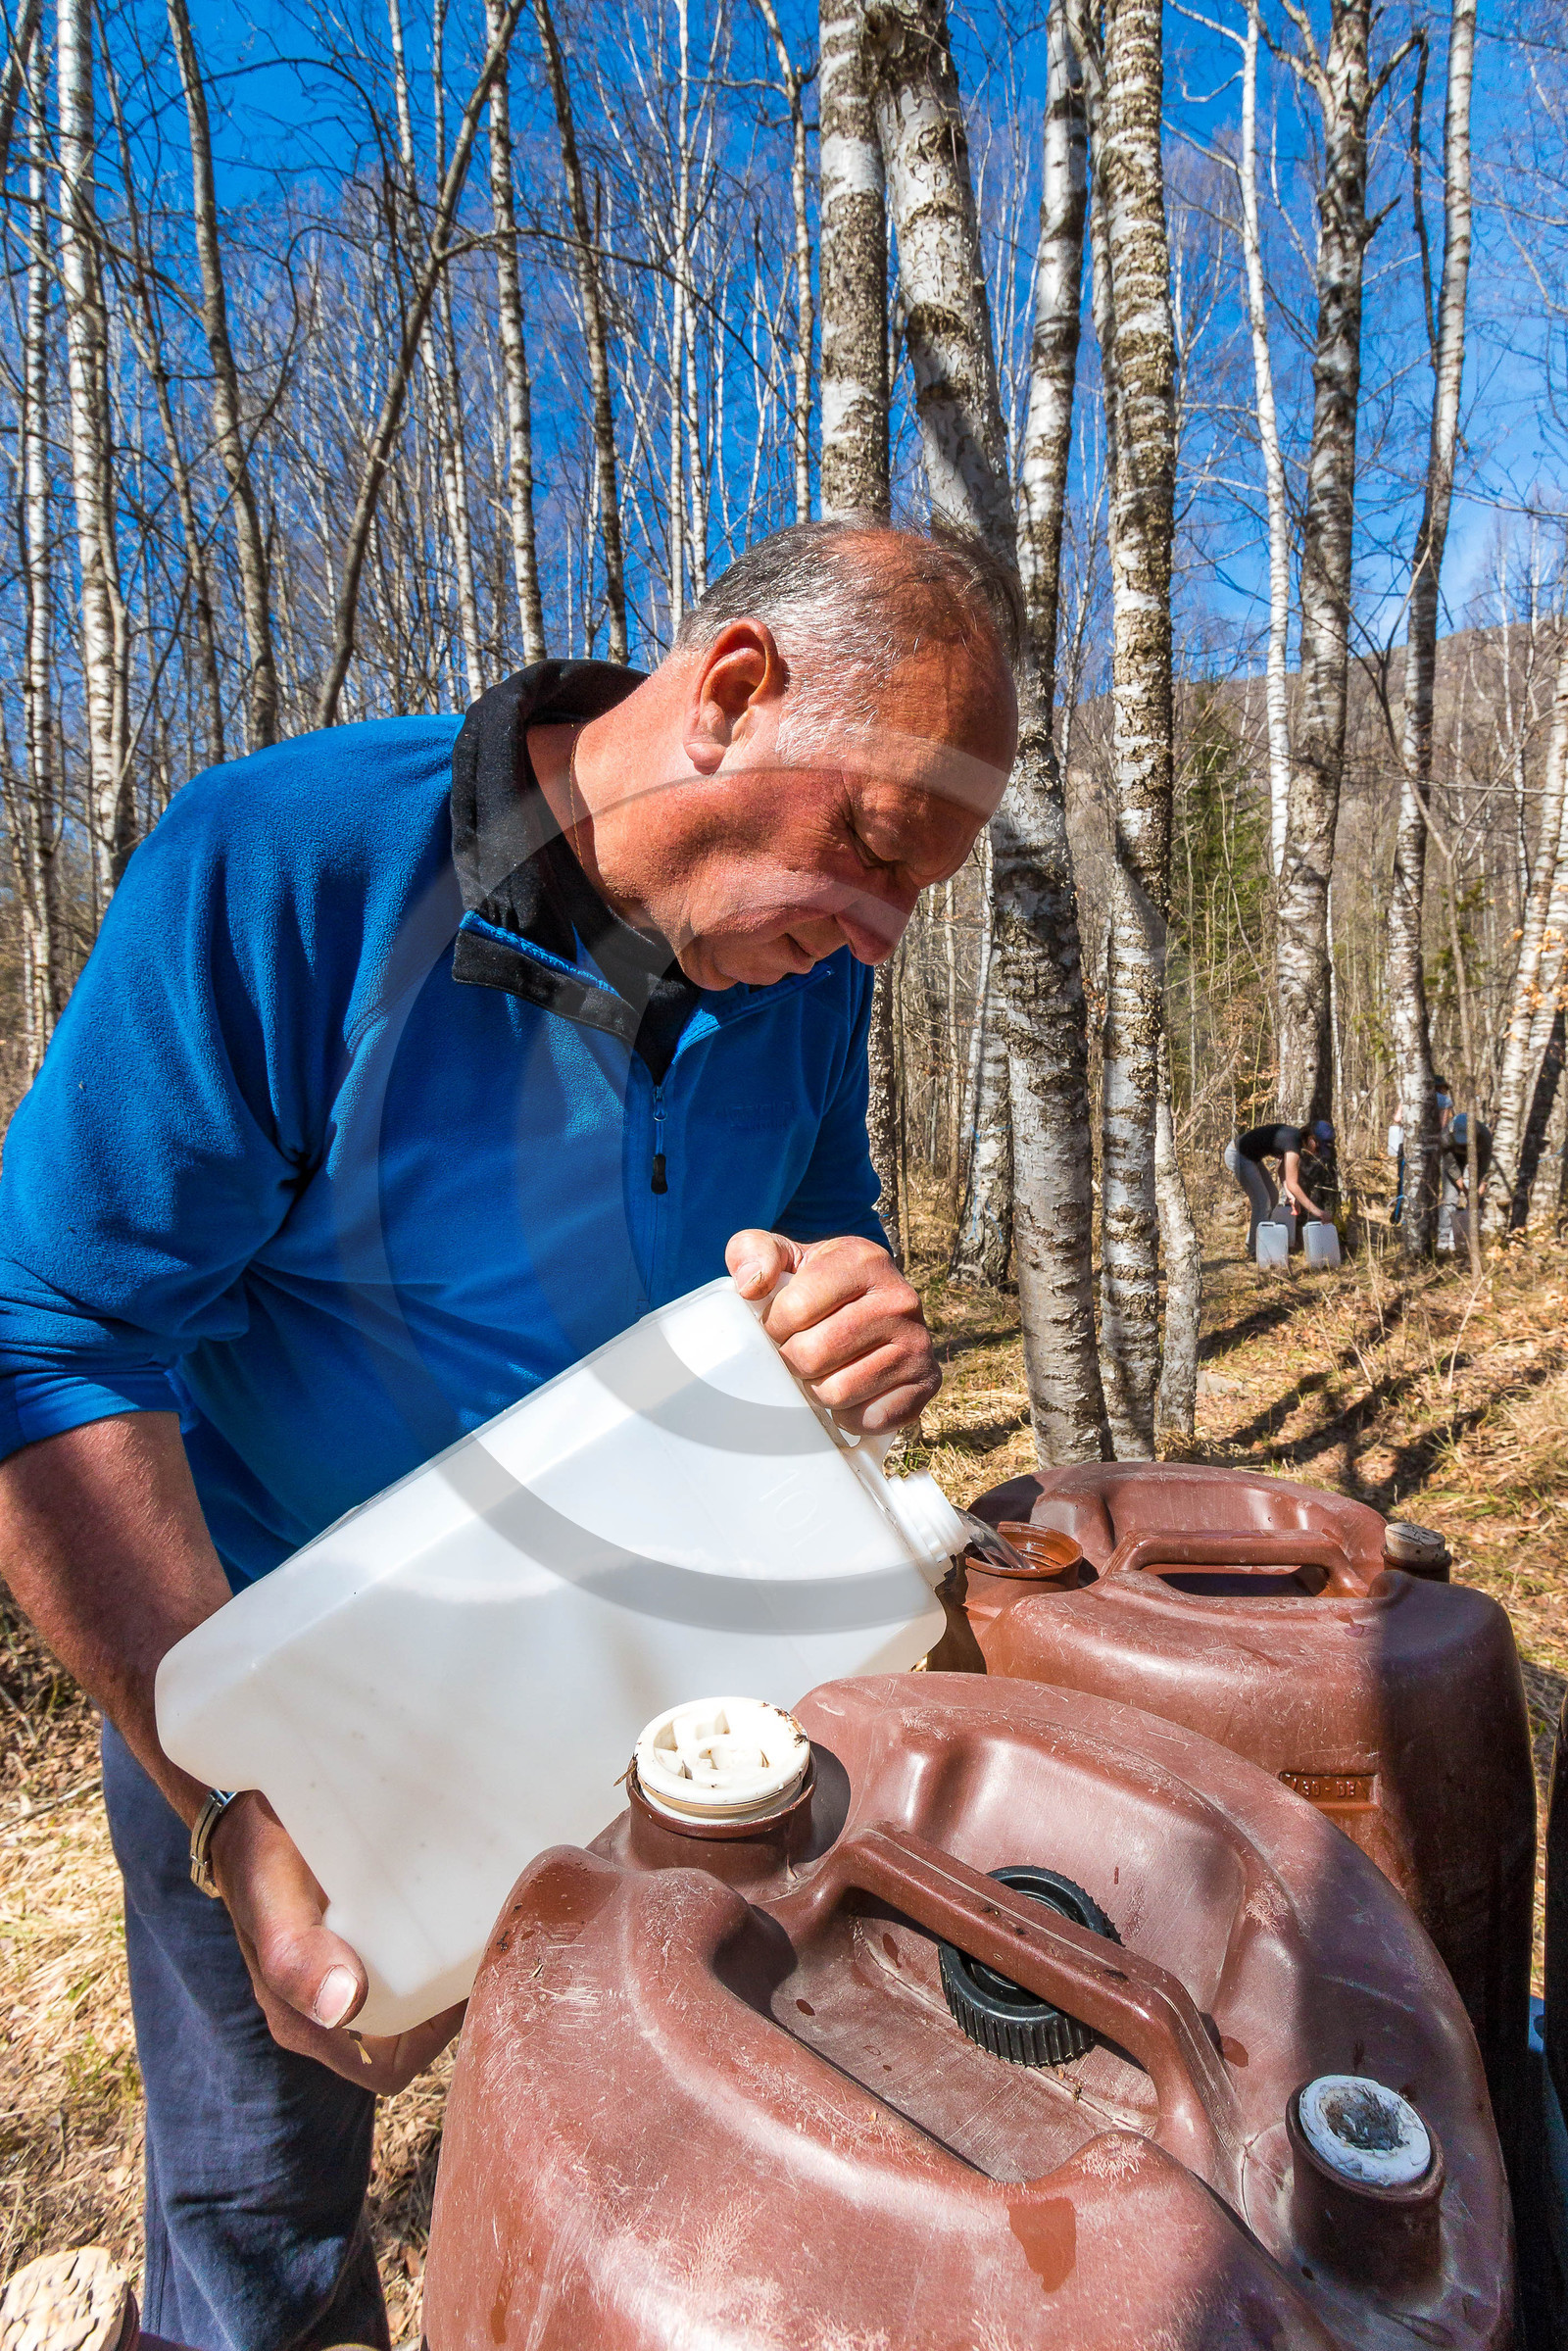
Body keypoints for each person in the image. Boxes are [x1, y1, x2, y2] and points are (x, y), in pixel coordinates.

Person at [0, 521, 1019, 2351]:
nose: (877, 933)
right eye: (870, 849)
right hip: (302, 1712)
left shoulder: (811, 979)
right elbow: (51, 1333)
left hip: (665, 1690)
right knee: (264, 2230)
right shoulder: (291, 866)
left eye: (914, 896)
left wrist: (851, 1317)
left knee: (672, 2143)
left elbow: (819, 1222)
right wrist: (229, 1784)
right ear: (727, 693)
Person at [1224, 1119, 1336, 1259]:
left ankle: (1253, 1240)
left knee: (1273, 1196)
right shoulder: (1293, 1143)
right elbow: (1293, 1183)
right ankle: (1255, 1251)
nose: (1317, 1152)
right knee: (1262, 1202)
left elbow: (1282, 1171)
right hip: (1237, 1154)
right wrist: (1318, 1212)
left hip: (1250, 1157)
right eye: (1319, 1147)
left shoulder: (1294, 1140)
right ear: (1312, 1138)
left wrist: (1291, 1196)